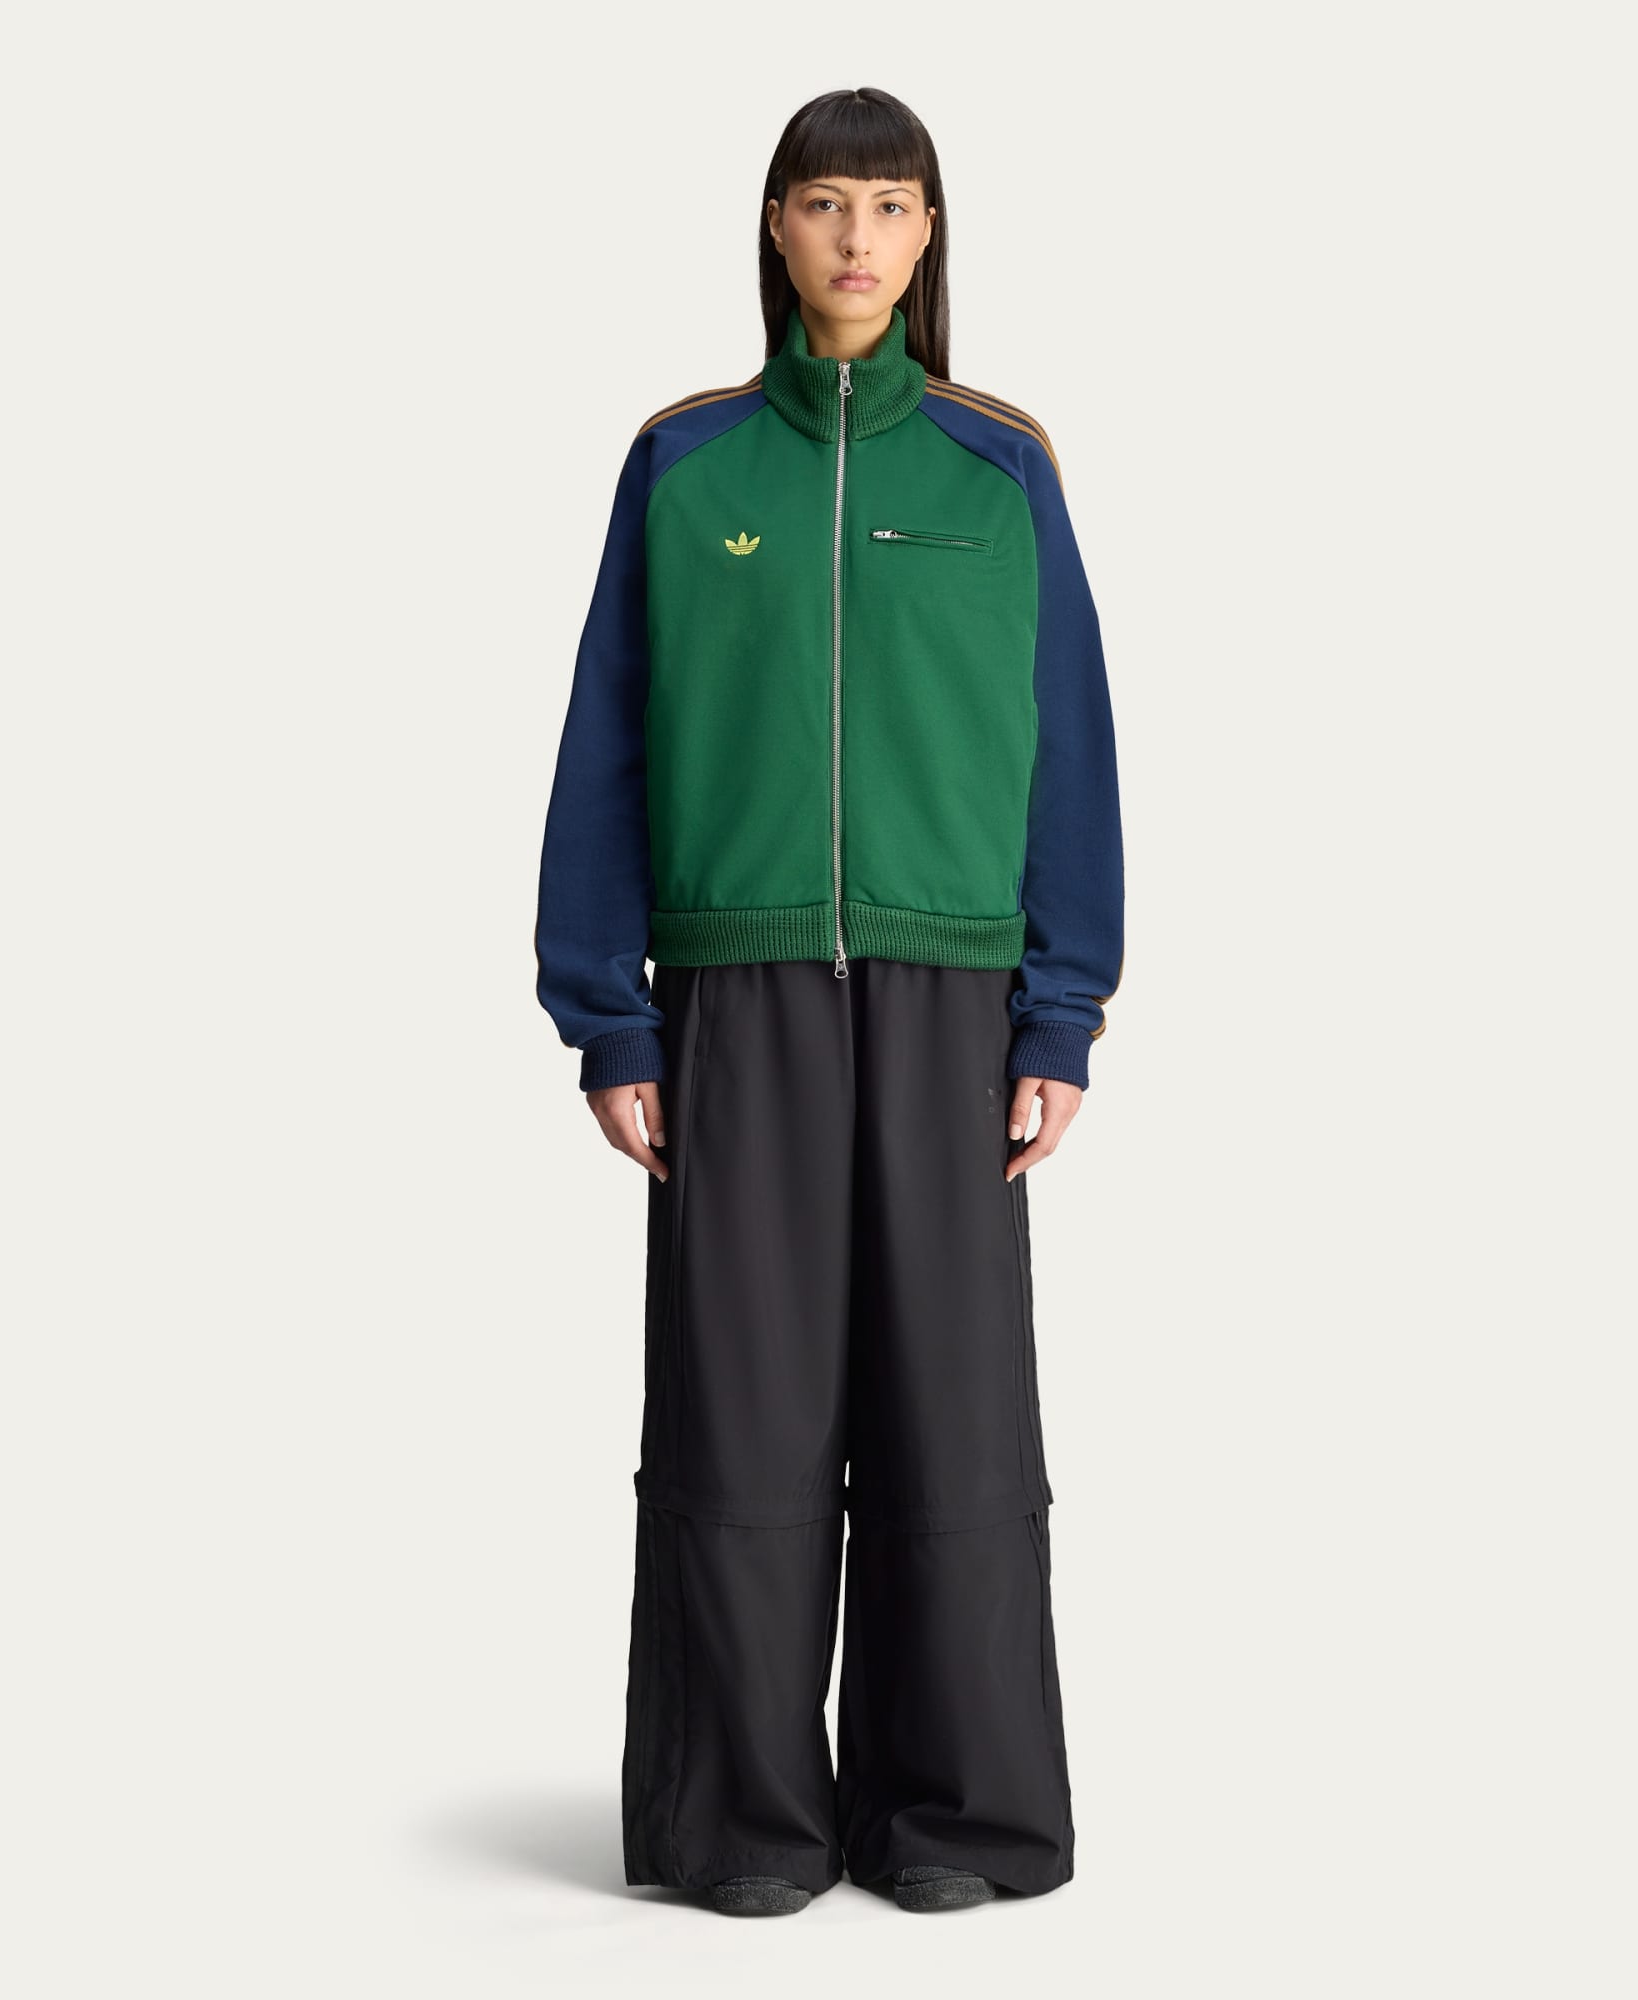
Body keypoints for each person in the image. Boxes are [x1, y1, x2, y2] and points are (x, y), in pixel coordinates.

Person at [534, 86, 1124, 1917]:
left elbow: (1070, 745)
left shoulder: (1001, 468)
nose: (857, 238)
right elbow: (606, 744)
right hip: (740, 987)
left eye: (889, 204)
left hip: (956, 998)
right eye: (822, 203)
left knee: (956, 1420)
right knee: (743, 1414)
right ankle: (742, 1822)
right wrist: (611, 1016)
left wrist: (1060, 1010)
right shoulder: (686, 464)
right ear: (775, 229)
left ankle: (957, 1817)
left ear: (929, 235)